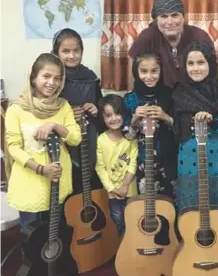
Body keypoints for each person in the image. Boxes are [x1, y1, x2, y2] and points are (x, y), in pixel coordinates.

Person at [5, 53, 81, 232]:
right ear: (33, 78)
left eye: (57, 78)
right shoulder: (17, 109)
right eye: (46, 76)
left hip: (57, 182)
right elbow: (13, 147)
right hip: (29, 184)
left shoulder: (63, 106)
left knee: (56, 238)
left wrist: (54, 125)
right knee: (32, 242)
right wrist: (41, 169)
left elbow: (75, 138)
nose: (51, 83)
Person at [172, 41, 218, 212]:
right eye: (190, 63)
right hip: (189, 163)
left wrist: (214, 122)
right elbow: (176, 128)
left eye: (201, 62)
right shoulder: (180, 92)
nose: (195, 68)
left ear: (210, 63)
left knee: (215, 215)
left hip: (217, 163)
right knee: (188, 214)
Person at [52, 28, 104, 194]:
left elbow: (102, 110)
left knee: (87, 183)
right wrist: (65, 114)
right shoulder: (52, 79)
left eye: (76, 50)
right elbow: (44, 111)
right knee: (66, 184)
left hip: (88, 138)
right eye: (65, 51)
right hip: (60, 140)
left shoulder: (90, 77)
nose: (72, 56)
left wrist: (96, 111)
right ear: (56, 52)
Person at [129, 0, 215, 89]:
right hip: (160, 96)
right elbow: (134, 69)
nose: (169, 22)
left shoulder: (200, 36)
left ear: (183, 17)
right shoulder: (147, 37)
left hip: (195, 94)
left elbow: (212, 71)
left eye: (174, 15)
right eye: (164, 16)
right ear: (156, 20)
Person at [123, 52, 177, 199]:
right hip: (144, 164)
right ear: (136, 72)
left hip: (169, 162)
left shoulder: (170, 95)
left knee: (169, 207)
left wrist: (165, 116)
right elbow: (127, 136)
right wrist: (135, 118)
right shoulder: (130, 99)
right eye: (144, 71)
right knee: (147, 208)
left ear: (161, 71)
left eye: (154, 71)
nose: (149, 76)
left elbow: (181, 131)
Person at [96, 94, 138, 236]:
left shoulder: (130, 138)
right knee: (117, 220)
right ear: (103, 118)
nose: (114, 118)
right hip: (112, 192)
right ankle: (121, 249)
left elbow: (133, 162)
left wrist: (125, 185)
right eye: (108, 115)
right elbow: (100, 167)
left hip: (130, 189)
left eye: (117, 113)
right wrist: (111, 188)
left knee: (133, 220)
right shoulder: (101, 140)